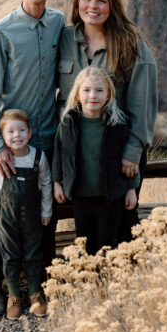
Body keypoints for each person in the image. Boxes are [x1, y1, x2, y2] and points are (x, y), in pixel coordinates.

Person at [0, 0, 65, 316]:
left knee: (45, 214)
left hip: (46, 140)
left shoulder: (60, 23)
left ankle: (37, 286)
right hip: (11, 144)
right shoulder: (1, 31)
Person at [56, 0, 157, 241]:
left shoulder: (132, 44)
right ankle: (84, 277)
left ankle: (122, 280)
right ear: (77, 2)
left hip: (118, 153)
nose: (93, 6)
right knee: (83, 230)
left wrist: (132, 153)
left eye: (102, 0)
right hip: (75, 153)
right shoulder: (63, 40)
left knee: (122, 227)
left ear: (112, 5)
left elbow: (143, 105)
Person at [52, 67, 138, 255]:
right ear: (77, 94)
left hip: (110, 197)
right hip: (81, 196)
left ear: (108, 95)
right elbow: (60, 155)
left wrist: (132, 188)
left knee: (106, 246)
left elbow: (129, 160)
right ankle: (88, 281)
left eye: (99, 90)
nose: (93, 95)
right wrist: (56, 183)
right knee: (85, 246)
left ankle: (104, 282)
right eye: (87, 90)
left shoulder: (117, 124)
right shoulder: (68, 123)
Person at [0, 109, 52, 319]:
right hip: (7, 218)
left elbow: (46, 184)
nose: (17, 136)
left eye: (21, 130)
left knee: (34, 252)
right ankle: (13, 296)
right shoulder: (0, 159)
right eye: (11, 132)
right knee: (10, 255)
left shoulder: (38, 157)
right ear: (3, 136)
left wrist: (46, 210)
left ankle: (35, 292)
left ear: (30, 132)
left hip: (33, 217)